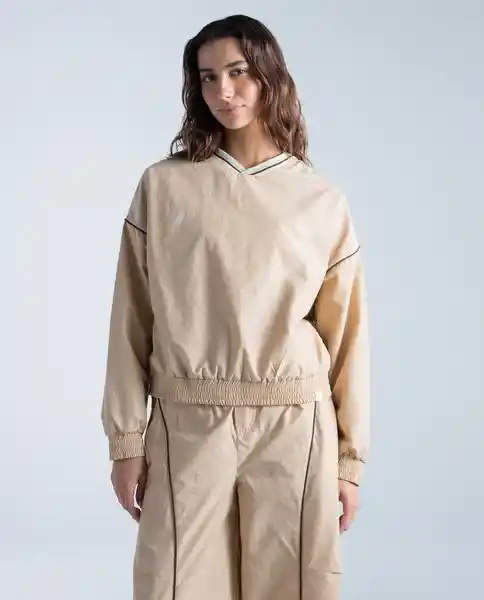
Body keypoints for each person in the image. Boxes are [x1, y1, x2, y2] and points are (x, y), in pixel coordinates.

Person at [101, 13, 370, 600]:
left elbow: (346, 336)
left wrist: (349, 462)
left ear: (270, 75)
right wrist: (126, 442)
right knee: (173, 583)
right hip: (187, 422)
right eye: (207, 78)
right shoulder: (163, 187)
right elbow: (132, 319)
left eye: (238, 72)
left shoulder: (320, 199)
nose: (223, 91)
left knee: (291, 585)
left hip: (294, 423)